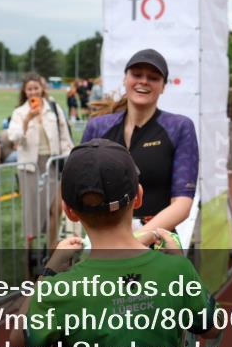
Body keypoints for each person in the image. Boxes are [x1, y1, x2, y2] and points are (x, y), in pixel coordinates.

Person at [8, 139, 218, 347]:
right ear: (139, 196)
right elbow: (211, 327)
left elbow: (19, 341)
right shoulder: (177, 271)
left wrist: (48, 273)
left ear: (69, 211)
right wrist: (179, 263)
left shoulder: (59, 290)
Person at [82, 49, 198, 237]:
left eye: (153, 77)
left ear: (163, 86)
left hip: (157, 241)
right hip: (104, 239)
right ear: (125, 79)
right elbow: (78, 188)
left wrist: (134, 242)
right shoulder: (97, 127)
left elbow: (182, 204)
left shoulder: (179, 128)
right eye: (137, 74)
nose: (144, 81)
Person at [8, 73, 74, 251]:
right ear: (25, 91)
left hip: (52, 164)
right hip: (30, 167)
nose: (33, 92)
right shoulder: (19, 112)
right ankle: (28, 254)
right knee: (31, 212)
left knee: (56, 208)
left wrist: (69, 156)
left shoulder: (53, 107)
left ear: (42, 89)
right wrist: (27, 120)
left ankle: (51, 250)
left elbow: (64, 135)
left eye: (36, 88)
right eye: (29, 89)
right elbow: (14, 138)